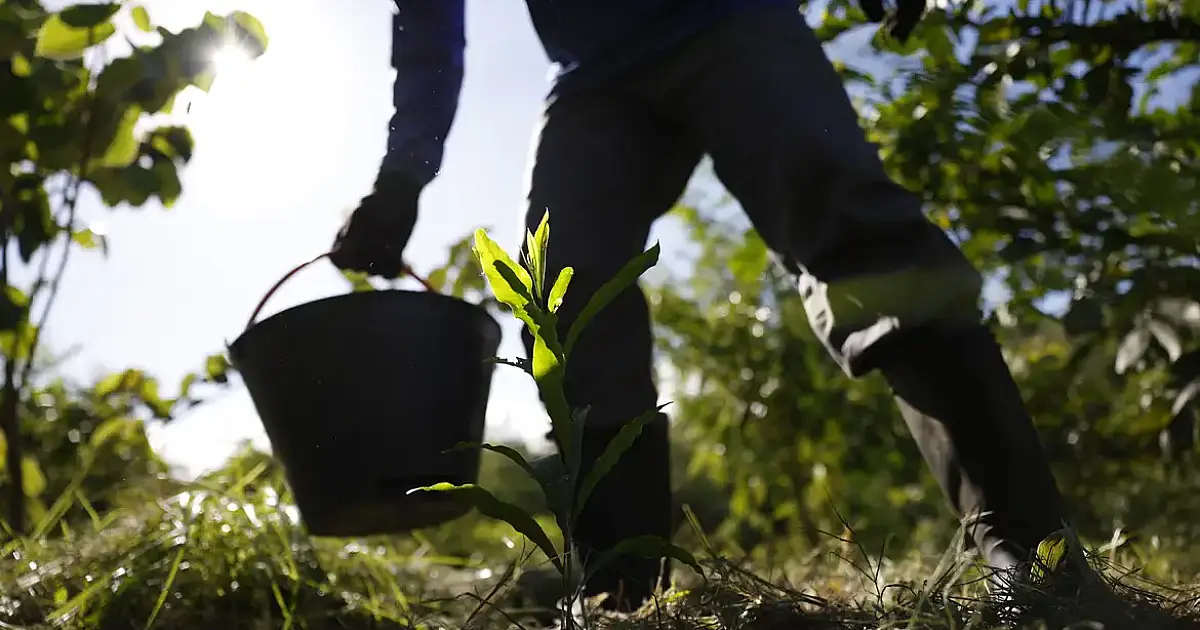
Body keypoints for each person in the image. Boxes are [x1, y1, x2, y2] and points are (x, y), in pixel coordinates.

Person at [330, 0, 1070, 611]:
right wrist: (401, 180)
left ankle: (1031, 557)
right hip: (596, 76)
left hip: (733, 18)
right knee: (563, 290)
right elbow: (428, 26)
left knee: (853, 228)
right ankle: (622, 594)